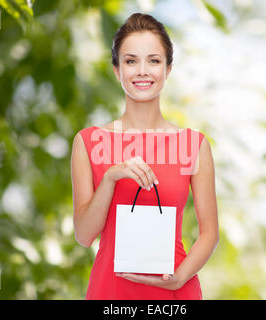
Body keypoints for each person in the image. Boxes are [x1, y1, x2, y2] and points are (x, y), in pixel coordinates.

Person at [71, 12, 219, 300]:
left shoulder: (194, 145)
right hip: (111, 291)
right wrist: (111, 177)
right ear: (117, 70)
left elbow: (210, 233)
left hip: (174, 290)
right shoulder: (87, 142)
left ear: (168, 69)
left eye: (153, 60)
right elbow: (84, 235)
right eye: (130, 60)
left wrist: (178, 279)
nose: (142, 71)